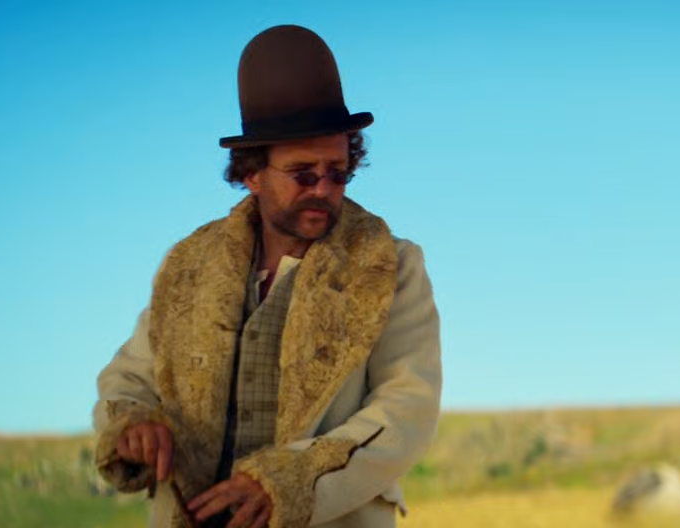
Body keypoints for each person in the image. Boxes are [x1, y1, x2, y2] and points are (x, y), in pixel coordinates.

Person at [90, 24, 443, 528]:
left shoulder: (392, 265)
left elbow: (407, 407)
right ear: (252, 173)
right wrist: (134, 424)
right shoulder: (189, 266)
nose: (323, 189)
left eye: (338, 173)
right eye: (303, 174)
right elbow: (130, 380)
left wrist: (291, 480)